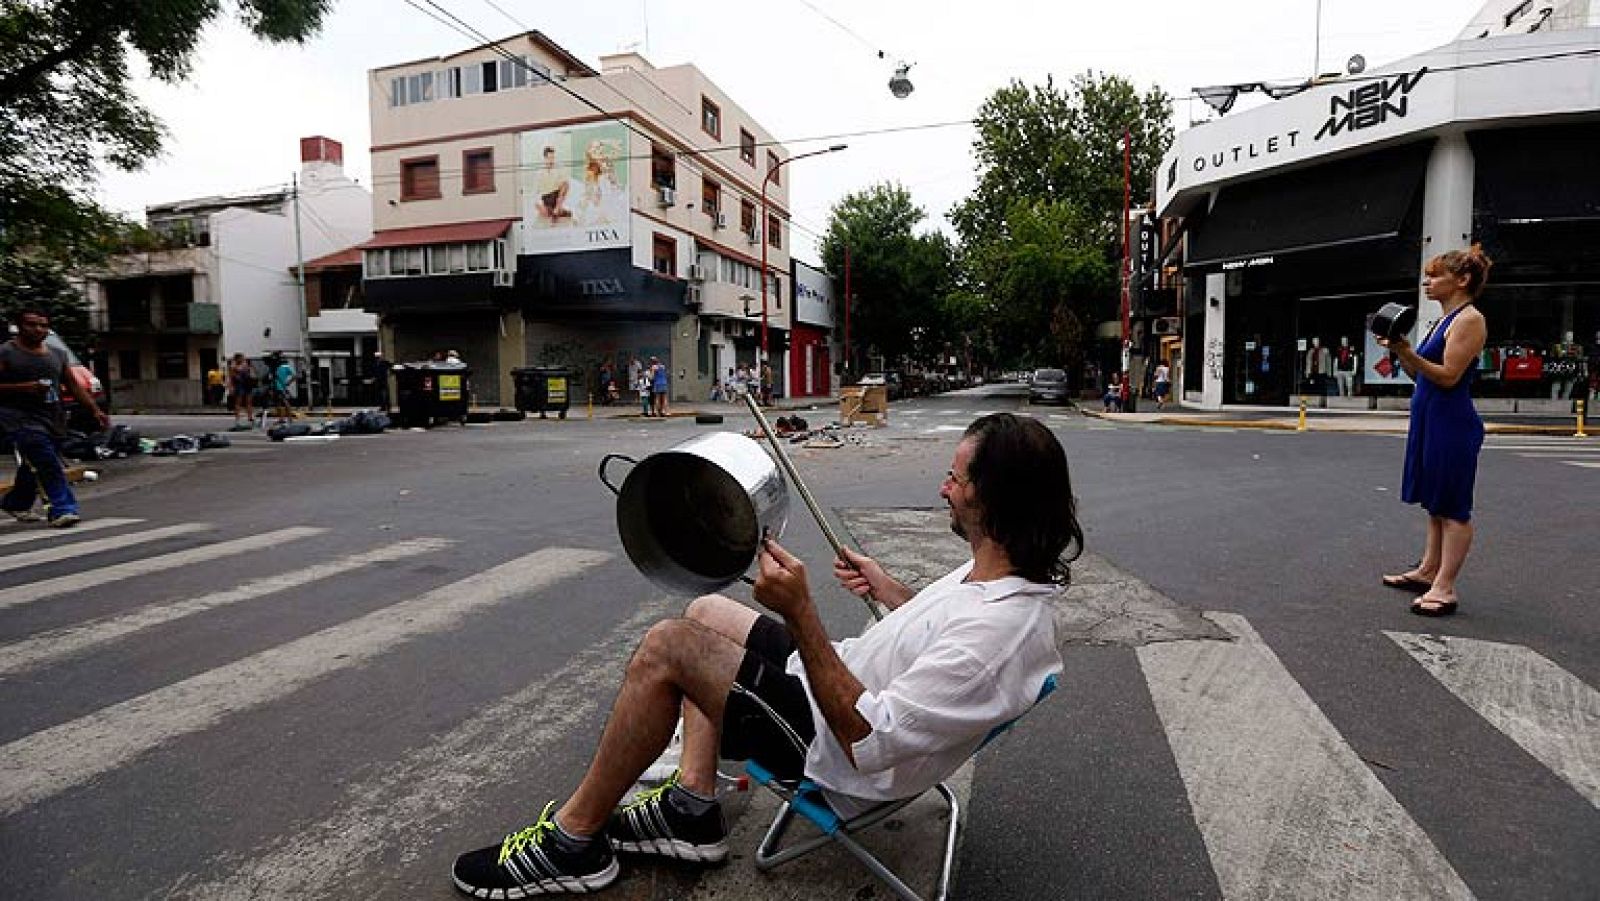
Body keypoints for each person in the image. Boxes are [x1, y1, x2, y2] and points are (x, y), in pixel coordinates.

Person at [449, 413, 1080, 897]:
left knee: (669, 648)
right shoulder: (1000, 577)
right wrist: (889, 589)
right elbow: (946, 636)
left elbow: (871, 740)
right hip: (839, 691)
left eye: (957, 478)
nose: (943, 487)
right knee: (705, 612)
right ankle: (693, 808)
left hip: (838, 752)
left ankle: (573, 842)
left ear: (995, 502)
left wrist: (801, 612)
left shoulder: (1000, 635)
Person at [1379, 247, 1492, 617]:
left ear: (1462, 280)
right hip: (1430, 418)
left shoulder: (1469, 320)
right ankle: (1429, 570)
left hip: (1451, 422)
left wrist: (1408, 351)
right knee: (1434, 502)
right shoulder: (1443, 320)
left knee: (1453, 507)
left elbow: (1448, 377)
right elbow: (1420, 375)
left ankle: (1445, 587)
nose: (1427, 282)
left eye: (1436, 275)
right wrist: (1401, 351)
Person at [0, 309, 110, 527]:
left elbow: (73, 385)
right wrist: (24, 388)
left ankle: (17, 502)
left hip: (52, 417)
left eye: (43, 325)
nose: (38, 329)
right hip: (18, 419)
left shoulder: (56, 354)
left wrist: (94, 410)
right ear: (19, 327)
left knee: (35, 464)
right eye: (32, 324)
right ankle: (62, 509)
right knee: (47, 461)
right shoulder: (5, 353)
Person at [228, 353, 257, 428]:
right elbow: (231, 377)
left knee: (249, 402)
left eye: (243, 358)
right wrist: (231, 387)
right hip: (239, 385)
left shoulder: (246, 365)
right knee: (238, 402)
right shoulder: (233, 367)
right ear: (237, 359)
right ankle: (237, 419)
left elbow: (252, 374)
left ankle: (250, 417)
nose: (243, 359)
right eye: (241, 358)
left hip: (247, 384)